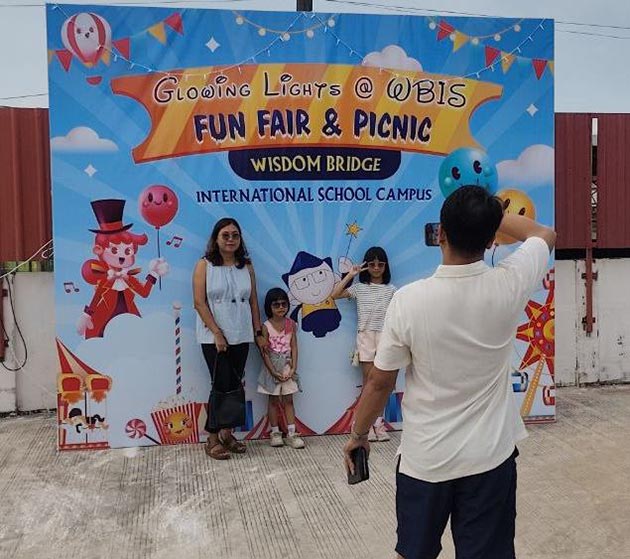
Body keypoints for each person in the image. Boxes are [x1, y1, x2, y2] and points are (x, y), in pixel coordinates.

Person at [343, 186, 556, 559]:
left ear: (440, 233)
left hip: (426, 460)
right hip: (490, 458)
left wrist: (359, 435)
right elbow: (544, 234)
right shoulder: (509, 282)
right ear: (491, 240)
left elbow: (379, 383)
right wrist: (490, 217)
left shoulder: (408, 300)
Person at [193, 217, 265, 460]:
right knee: (220, 385)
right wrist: (216, 332)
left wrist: (258, 332)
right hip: (213, 336)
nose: (231, 239)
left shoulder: (247, 266)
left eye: (235, 235)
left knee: (234, 385)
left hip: (241, 333)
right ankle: (212, 438)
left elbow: (253, 302)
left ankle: (227, 434)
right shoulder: (204, 265)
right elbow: (199, 303)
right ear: (216, 239)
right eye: (225, 235)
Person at [332, 246, 396, 442]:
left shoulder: (392, 290)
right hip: (365, 337)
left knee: (382, 383)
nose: (376, 268)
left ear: (386, 266)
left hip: (385, 337)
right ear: (366, 266)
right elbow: (335, 294)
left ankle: (379, 423)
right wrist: (351, 274)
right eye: (372, 264)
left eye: (380, 264)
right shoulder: (359, 288)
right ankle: (364, 426)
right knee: (369, 383)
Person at [257, 287, 305, 449]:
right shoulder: (265, 326)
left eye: (284, 304)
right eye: (276, 305)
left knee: (289, 400)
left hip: (287, 368)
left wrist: (293, 368)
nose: (280, 307)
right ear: (269, 307)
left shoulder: (291, 324)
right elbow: (264, 352)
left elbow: (294, 346)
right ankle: (275, 433)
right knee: (273, 401)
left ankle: (292, 433)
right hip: (271, 368)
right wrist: (272, 371)